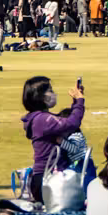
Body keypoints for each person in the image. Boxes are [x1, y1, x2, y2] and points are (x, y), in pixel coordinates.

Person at [21, 75, 86, 203]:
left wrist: (75, 102)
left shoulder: (41, 118)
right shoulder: (42, 120)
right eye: (50, 91)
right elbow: (71, 124)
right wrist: (79, 102)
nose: (53, 94)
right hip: (48, 181)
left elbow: (66, 122)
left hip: (47, 179)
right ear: (39, 96)